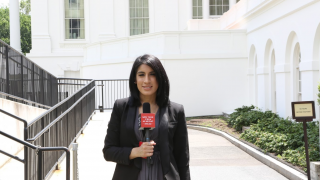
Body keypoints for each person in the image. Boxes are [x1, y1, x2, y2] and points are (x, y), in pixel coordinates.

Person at [102, 54, 190, 180]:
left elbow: (183, 159)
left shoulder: (176, 110)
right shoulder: (121, 107)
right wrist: (135, 152)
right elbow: (108, 151)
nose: (147, 80)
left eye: (152, 74)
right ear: (135, 79)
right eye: (141, 74)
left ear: (160, 78)